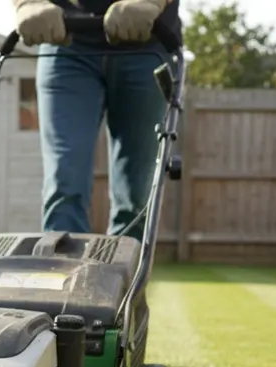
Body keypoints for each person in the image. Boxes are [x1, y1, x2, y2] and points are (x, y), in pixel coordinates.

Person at [11, 0, 182, 237]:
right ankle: (62, 269)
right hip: (65, 44)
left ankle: (128, 271)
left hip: (147, 41)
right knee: (64, 182)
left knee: (136, 193)